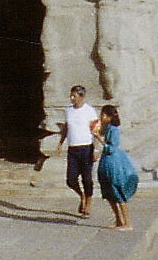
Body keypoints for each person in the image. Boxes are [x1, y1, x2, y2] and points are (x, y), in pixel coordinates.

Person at [56, 85, 99, 218]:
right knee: (71, 179)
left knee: (87, 178)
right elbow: (67, 128)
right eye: (71, 95)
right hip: (73, 148)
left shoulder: (89, 111)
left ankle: (88, 203)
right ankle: (82, 196)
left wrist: (96, 149)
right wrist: (60, 143)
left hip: (86, 147)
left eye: (75, 96)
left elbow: (95, 130)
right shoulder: (68, 110)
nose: (72, 98)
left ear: (81, 96)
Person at [94, 104, 138, 231]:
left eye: (103, 115)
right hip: (106, 161)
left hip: (113, 162)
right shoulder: (107, 128)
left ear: (109, 117)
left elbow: (111, 148)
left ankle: (127, 222)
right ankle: (119, 219)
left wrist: (99, 139)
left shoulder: (114, 130)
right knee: (108, 191)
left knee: (117, 191)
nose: (101, 117)